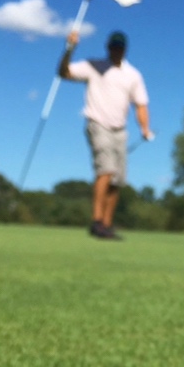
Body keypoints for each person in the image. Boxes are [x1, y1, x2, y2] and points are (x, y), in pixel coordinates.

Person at [59, 29, 153, 240]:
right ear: (107, 47)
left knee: (117, 180)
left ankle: (107, 225)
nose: (116, 50)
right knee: (106, 170)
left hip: (120, 130)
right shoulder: (94, 66)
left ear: (125, 49)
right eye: (113, 46)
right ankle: (97, 221)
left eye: (120, 46)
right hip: (98, 124)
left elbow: (140, 105)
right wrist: (69, 49)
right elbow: (64, 73)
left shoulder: (133, 75)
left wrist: (144, 128)